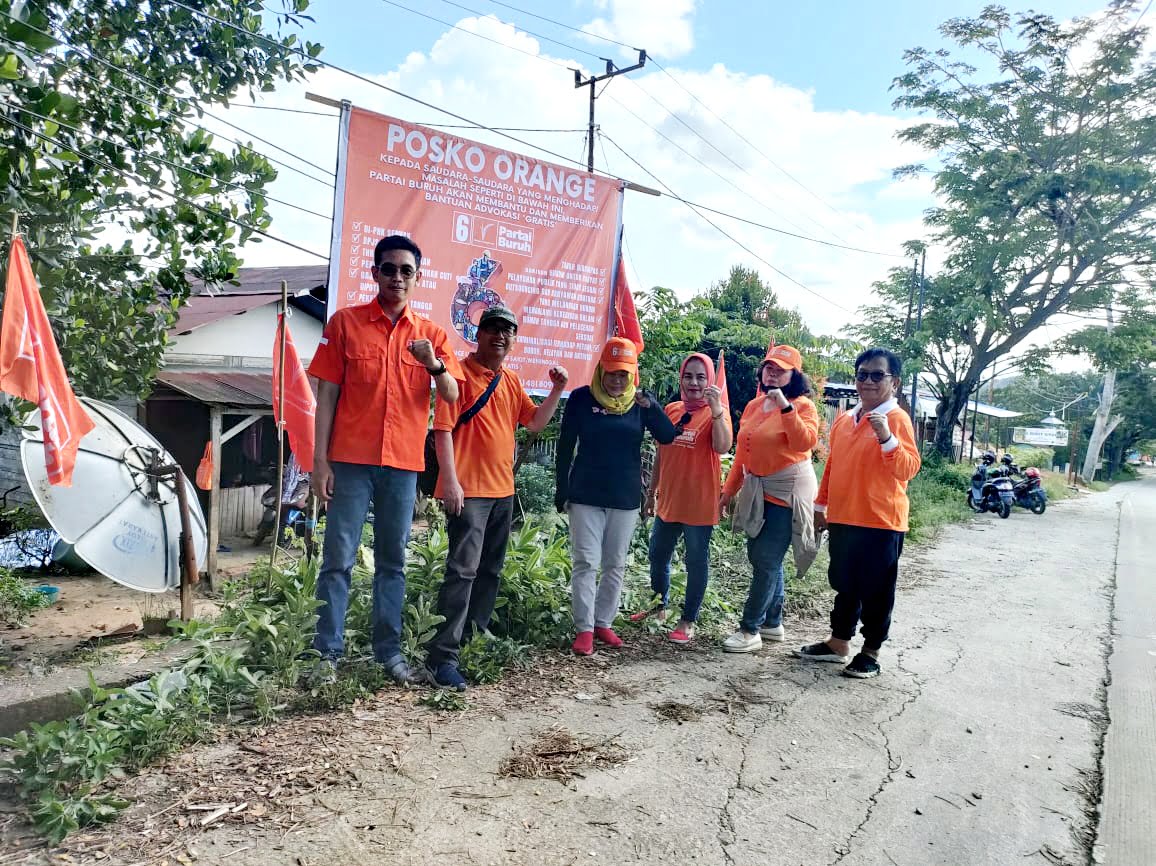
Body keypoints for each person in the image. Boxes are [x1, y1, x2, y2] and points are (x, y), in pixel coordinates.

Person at [308, 235, 464, 685]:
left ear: (417, 277)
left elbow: (451, 393)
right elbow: (327, 396)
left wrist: (433, 363)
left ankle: (389, 654)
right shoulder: (345, 324)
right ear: (375, 273)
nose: (397, 277)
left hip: (402, 465)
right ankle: (326, 655)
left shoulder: (431, 335)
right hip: (350, 461)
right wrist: (320, 462)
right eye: (389, 269)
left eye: (406, 271)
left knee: (393, 561)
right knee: (338, 559)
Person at [424, 305, 568, 690]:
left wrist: (556, 389)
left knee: (489, 571)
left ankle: (473, 640)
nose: (500, 336)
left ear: (513, 340)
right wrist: (450, 482)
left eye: (507, 331)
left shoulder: (512, 380)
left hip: (503, 491)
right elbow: (442, 431)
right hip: (469, 493)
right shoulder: (458, 375)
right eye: (492, 329)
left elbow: (534, 422)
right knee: (462, 572)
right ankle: (442, 658)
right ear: (479, 334)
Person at [797, 347, 921, 679]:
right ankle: (838, 642)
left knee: (877, 590)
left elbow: (908, 469)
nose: (868, 381)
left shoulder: (896, 419)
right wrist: (821, 506)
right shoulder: (844, 419)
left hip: (881, 521)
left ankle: (871, 652)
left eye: (877, 375)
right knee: (845, 584)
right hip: (843, 517)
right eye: (863, 374)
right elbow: (833, 466)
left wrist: (887, 438)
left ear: (894, 382)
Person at [555, 337, 678, 655]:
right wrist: (561, 488)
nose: (617, 380)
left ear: (632, 374)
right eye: (611, 373)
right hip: (585, 493)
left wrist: (653, 406)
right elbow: (565, 447)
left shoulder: (639, 403)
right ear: (601, 370)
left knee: (615, 564)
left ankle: (603, 622)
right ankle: (584, 628)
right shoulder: (581, 399)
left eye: (623, 374)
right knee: (586, 562)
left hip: (624, 496)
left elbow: (667, 436)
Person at [719, 344, 821, 653]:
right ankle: (773, 622)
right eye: (769, 368)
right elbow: (742, 454)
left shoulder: (803, 406)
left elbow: (805, 442)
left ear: (794, 376)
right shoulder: (753, 406)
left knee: (766, 559)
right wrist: (728, 491)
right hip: (758, 488)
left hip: (787, 492)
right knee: (760, 555)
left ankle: (750, 629)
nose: (773, 374)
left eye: (781, 370)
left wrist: (786, 408)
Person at [641, 353, 733, 644]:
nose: (694, 382)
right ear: (681, 379)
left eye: (701, 377)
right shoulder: (671, 409)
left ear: (710, 381)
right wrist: (651, 493)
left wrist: (716, 411)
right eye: (688, 376)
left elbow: (723, 446)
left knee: (696, 561)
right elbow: (661, 453)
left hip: (699, 502)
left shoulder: (717, 412)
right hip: (669, 499)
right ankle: (659, 608)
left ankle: (688, 620)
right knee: (658, 555)